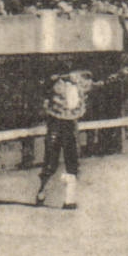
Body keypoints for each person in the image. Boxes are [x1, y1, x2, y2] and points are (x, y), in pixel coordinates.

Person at [35, 68, 98, 208]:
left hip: (71, 122)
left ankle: (69, 199)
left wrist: (118, 76)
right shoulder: (55, 82)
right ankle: (42, 191)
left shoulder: (80, 82)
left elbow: (97, 84)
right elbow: (45, 85)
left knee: (72, 159)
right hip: (55, 122)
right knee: (51, 159)